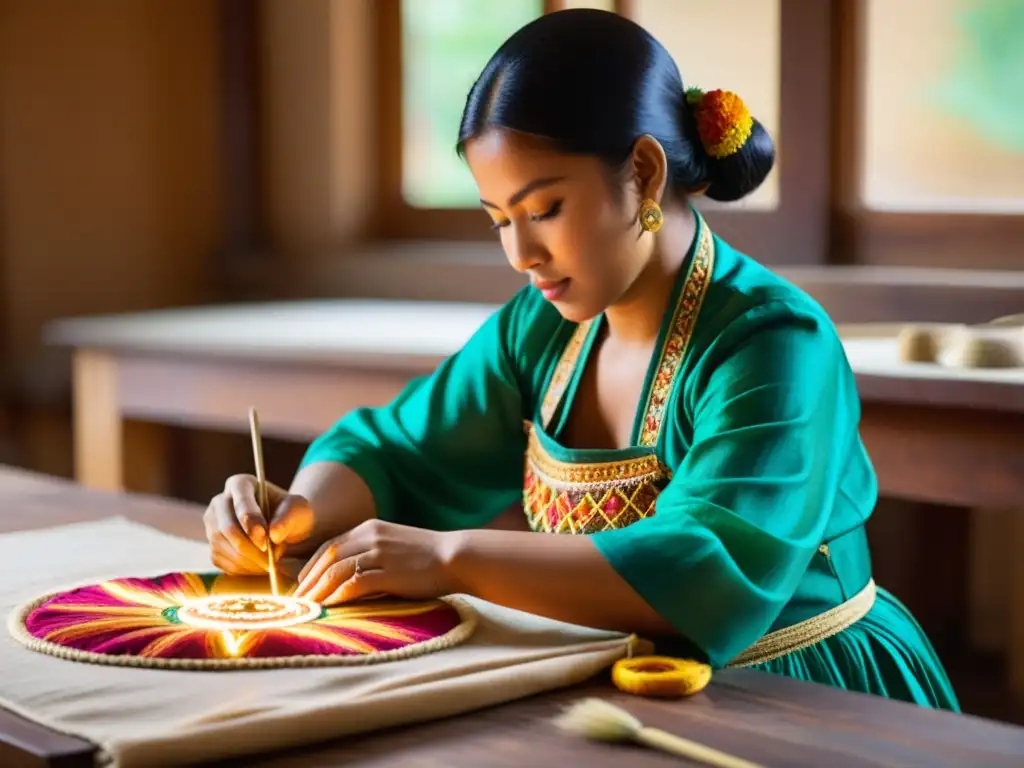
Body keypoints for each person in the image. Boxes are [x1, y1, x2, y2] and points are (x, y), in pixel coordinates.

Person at [204, 9, 959, 711]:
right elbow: (399, 449)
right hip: (614, 677)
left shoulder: (774, 343)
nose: (521, 254)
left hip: (796, 690)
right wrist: (298, 513)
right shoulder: (543, 327)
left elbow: (703, 566)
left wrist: (451, 560)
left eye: (544, 210)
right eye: (500, 219)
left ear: (644, 171)